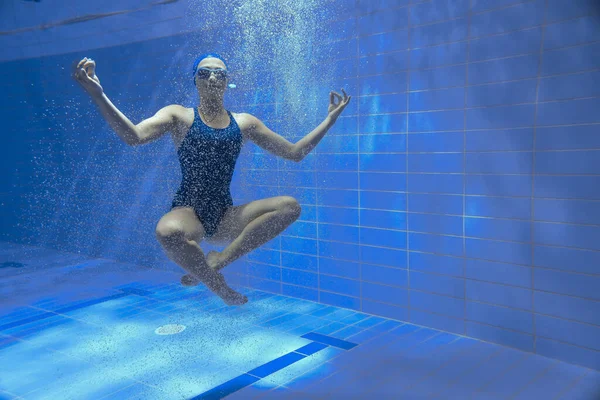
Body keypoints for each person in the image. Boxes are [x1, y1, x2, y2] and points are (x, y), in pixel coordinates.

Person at [72, 52, 351, 305]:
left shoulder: (244, 123)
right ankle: (219, 286)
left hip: (224, 215)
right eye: (204, 73)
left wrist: (330, 120)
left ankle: (218, 261)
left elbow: (294, 152)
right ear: (195, 80)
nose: (213, 77)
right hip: (188, 211)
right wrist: (98, 95)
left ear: (227, 80)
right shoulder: (178, 115)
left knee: (289, 206)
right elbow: (134, 136)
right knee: (168, 233)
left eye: (219, 73)